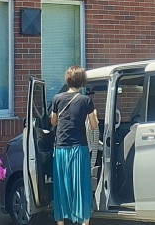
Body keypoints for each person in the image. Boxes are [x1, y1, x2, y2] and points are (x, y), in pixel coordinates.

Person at [50, 66, 98, 225]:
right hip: (79, 148)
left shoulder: (57, 99)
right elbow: (93, 125)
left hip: (61, 148)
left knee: (62, 186)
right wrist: (95, 115)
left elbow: (53, 122)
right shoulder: (86, 100)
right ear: (83, 82)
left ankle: (61, 221)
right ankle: (84, 221)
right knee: (82, 186)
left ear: (67, 80)